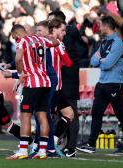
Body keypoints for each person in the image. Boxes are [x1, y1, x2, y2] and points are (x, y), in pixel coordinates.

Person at [0, 23, 58, 158]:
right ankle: (43, 151)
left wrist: (20, 74)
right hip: (46, 82)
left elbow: (18, 58)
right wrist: (47, 39)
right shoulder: (41, 39)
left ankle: (23, 150)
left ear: (17, 34)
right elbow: (55, 42)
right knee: (42, 116)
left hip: (32, 83)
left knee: (25, 116)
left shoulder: (22, 41)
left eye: (14, 38)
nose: (15, 40)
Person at [76, 16, 123, 154]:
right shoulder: (104, 43)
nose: (99, 29)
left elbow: (106, 64)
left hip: (114, 83)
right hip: (102, 82)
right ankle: (91, 145)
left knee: (121, 115)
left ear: (106, 27)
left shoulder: (118, 43)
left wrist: (102, 60)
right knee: (96, 113)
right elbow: (94, 60)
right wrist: (103, 60)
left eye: (100, 26)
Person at [48, 10, 80, 157]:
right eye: (62, 30)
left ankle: (51, 144)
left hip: (57, 87)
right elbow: (68, 62)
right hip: (52, 86)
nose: (65, 32)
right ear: (55, 29)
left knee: (69, 114)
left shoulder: (43, 41)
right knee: (45, 117)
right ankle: (40, 146)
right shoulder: (56, 43)